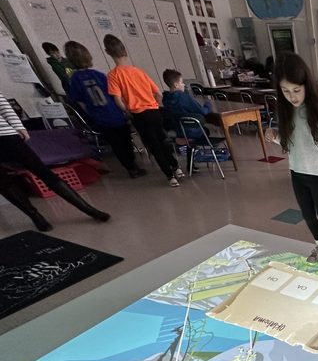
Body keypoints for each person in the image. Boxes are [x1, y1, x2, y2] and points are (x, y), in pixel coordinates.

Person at [274, 53, 318, 270]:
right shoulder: (286, 111)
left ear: (306, 85)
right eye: (286, 91)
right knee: (307, 214)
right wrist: (276, 138)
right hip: (297, 172)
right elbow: (292, 144)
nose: (292, 96)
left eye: (296, 90)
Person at [0, 92, 110, 231]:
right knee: (3, 183)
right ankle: (36, 217)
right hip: (6, 135)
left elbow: (3, 105)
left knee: (41, 171)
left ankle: (88, 209)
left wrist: (19, 126)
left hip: (5, 135)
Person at [103, 34, 182, 187]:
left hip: (139, 114)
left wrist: (128, 111)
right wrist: (157, 106)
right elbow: (158, 93)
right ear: (125, 50)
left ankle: (170, 175)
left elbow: (117, 100)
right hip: (154, 111)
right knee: (162, 140)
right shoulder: (138, 71)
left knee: (154, 145)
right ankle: (177, 167)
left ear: (107, 52)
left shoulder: (113, 75)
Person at [64, 41, 145, 179]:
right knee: (126, 140)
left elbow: (80, 102)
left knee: (115, 144)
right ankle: (133, 164)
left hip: (99, 117)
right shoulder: (99, 75)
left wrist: (91, 113)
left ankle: (130, 168)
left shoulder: (74, 80)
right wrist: (125, 110)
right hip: (115, 113)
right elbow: (115, 94)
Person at [162, 68, 212, 139]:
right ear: (176, 85)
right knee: (206, 130)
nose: (184, 85)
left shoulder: (165, 99)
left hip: (177, 130)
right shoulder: (184, 97)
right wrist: (208, 105)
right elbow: (202, 111)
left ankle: (188, 146)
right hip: (191, 131)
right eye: (182, 82)